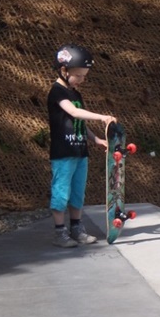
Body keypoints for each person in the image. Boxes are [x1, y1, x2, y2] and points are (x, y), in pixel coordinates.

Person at [47, 43, 115, 248]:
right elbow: (74, 113)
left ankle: (76, 228)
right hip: (63, 153)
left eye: (85, 75)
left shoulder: (76, 94)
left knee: (78, 193)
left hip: (80, 152)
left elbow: (79, 124)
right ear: (64, 70)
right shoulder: (57, 92)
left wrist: (96, 140)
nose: (82, 79)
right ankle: (60, 233)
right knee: (61, 192)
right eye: (79, 75)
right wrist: (102, 117)